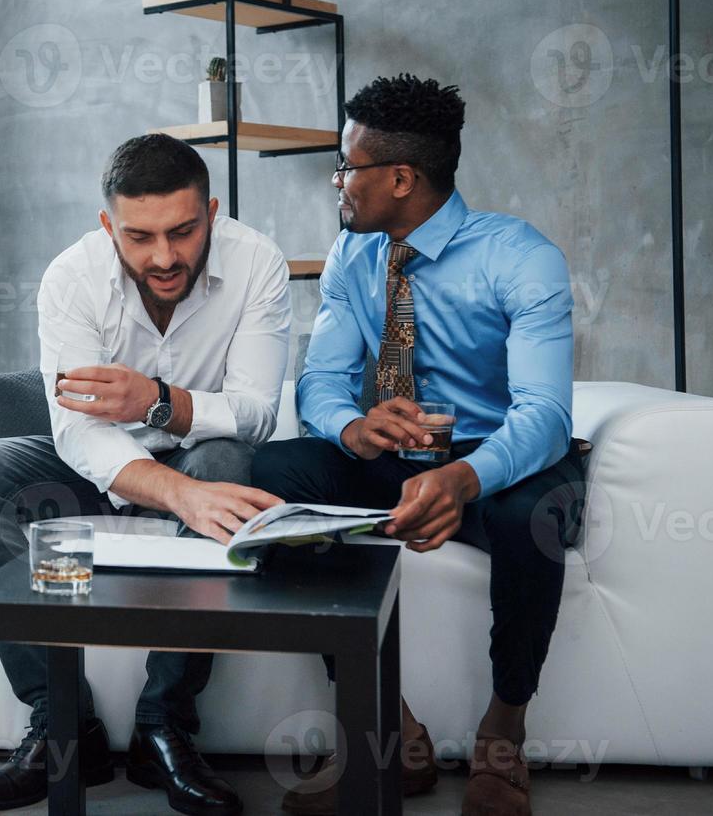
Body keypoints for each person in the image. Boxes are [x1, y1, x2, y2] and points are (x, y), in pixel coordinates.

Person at [250, 75, 585, 816]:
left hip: (498, 458)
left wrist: (464, 477)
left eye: (346, 167)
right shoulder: (352, 256)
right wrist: (349, 427)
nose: (335, 182)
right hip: (394, 457)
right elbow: (321, 382)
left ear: (399, 178)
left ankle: (503, 735)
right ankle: (390, 732)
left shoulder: (519, 256)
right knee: (274, 473)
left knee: (534, 510)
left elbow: (544, 415)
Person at [0, 134, 292, 814]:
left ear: (210, 212)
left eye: (183, 232)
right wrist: (173, 493)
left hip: (199, 452)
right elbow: (76, 430)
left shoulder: (257, 263)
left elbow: (255, 414)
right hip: (101, 461)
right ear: (108, 226)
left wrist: (157, 401)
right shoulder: (71, 276)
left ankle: (165, 727)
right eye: (139, 237)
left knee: (223, 462)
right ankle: (62, 723)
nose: (163, 257)